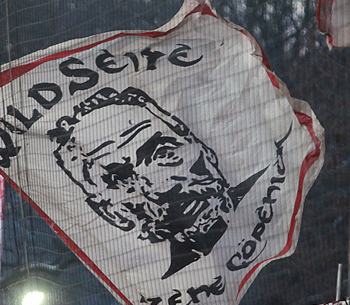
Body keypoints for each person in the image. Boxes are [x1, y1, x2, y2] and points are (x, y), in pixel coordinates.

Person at [51, 87, 266, 279]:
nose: (150, 183)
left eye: (163, 151)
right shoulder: (176, 283)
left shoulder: (270, 175)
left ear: (201, 146)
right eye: (121, 178)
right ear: (112, 214)